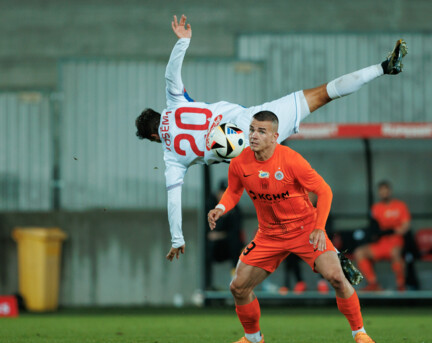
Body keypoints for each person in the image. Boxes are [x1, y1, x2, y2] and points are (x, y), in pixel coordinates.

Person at [134, 14, 407, 261]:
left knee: (279, 210)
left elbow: (173, 198)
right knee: (324, 93)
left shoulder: (171, 157)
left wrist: (178, 238)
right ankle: (383, 67)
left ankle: (332, 256)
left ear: (152, 136)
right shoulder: (175, 103)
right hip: (257, 122)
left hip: (247, 156)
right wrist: (183, 41)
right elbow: (171, 73)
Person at [207, 111, 376, 343]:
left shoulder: (291, 160)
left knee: (337, 277)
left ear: (275, 136)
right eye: (252, 129)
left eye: (261, 131)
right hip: (268, 235)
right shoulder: (239, 162)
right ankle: (254, 340)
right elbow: (234, 191)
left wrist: (319, 228)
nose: (254, 135)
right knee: (238, 287)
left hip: (304, 230)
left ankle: (360, 333)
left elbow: (325, 191)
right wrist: (220, 207)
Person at [354, 181, 411, 291]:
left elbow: (405, 226)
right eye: (381, 191)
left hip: (395, 241)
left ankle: (401, 285)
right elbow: (374, 228)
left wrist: (392, 230)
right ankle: (373, 284)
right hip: (381, 242)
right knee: (359, 252)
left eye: (386, 190)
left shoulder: (400, 206)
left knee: (395, 253)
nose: (384, 193)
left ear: (390, 191)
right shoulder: (376, 208)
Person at [205, 180, 244, 290]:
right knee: (207, 247)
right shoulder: (210, 206)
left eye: (226, 193)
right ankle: (207, 285)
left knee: (236, 245)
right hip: (215, 248)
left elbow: (235, 231)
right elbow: (208, 232)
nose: (223, 196)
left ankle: (236, 283)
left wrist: (220, 235)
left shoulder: (235, 209)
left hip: (229, 245)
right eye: (222, 192)